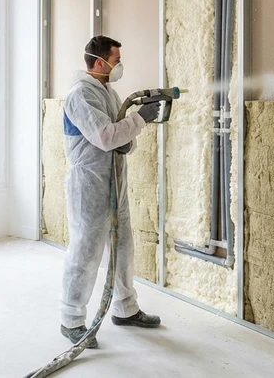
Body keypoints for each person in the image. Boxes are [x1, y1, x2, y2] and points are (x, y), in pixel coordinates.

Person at [59, 35, 162, 348]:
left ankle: (125, 308)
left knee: (123, 248)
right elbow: (104, 136)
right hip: (89, 186)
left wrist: (129, 138)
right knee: (86, 253)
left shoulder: (108, 92)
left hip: (115, 184)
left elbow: (118, 137)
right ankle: (72, 320)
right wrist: (139, 120)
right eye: (116, 61)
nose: (120, 67)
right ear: (99, 61)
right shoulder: (80, 94)